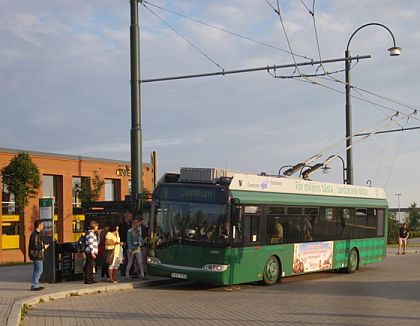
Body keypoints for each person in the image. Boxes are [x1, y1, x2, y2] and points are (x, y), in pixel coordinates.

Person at [28, 220, 49, 291]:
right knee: (39, 270)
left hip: (38, 255)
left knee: (37, 270)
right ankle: (34, 285)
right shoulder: (34, 235)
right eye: (42, 225)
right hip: (36, 255)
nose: (43, 226)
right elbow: (34, 246)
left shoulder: (38, 234)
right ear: (39, 225)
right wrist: (43, 247)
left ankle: (36, 284)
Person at [118, 211, 132, 276]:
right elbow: (121, 234)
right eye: (130, 216)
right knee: (124, 257)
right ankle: (123, 271)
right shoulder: (122, 225)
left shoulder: (131, 224)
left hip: (130, 243)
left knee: (130, 258)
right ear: (126, 216)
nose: (131, 217)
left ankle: (129, 271)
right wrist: (123, 242)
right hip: (125, 243)